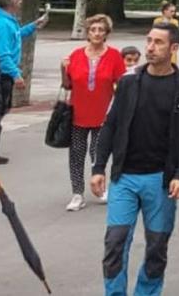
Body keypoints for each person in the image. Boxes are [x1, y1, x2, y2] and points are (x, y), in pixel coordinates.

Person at [91, 22, 179, 296]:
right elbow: (110, 125)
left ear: (174, 48)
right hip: (124, 177)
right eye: (149, 40)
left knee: (156, 248)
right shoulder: (128, 82)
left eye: (158, 42)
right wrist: (99, 167)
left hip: (161, 181)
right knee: (115, 243)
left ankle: (146, 293)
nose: (150, 47)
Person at [61, 14, 126, 212]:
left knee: (98, 154)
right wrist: (63, 69)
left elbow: (121, 84)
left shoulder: (114, 55)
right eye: (93, 30)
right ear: (88, 33)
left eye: (101, 30)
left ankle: (100, 187)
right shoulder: (75, 55)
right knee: (76, 154)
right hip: (78, 113)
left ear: (106, 33)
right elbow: (67, 85)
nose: (97, 33)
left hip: (103, 114)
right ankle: (77, 193)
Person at [0, 0, 48, 164]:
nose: (21, 0)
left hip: (2, 74)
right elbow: (2, 54)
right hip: (0, 75)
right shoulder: (2, 24)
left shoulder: (7, 21)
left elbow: (17, 35)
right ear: (11, 2)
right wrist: (16, 75)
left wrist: (33, 26)